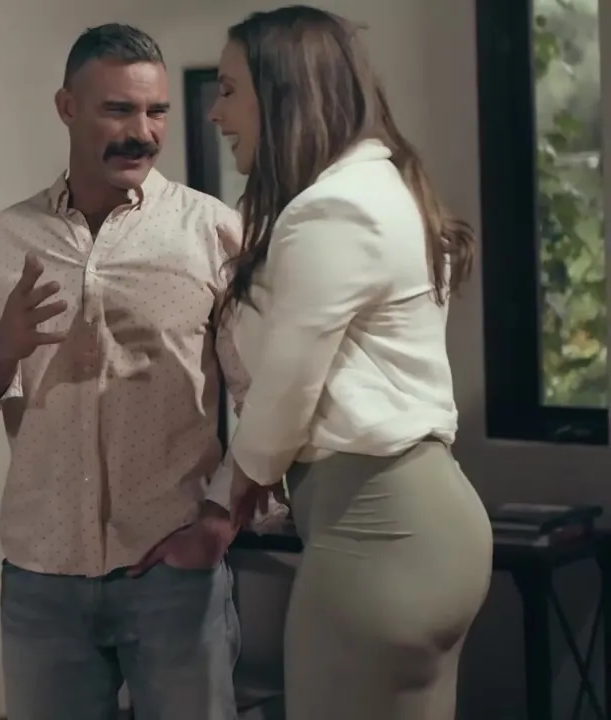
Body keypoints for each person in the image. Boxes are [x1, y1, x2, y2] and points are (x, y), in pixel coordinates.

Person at [0, 24, 249, 720]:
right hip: (41, 580)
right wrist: (0, 348)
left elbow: (265, 395)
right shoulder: (2, 240)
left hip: (174, 573)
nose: (142, 132)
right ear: (67, 108)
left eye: (156, 111)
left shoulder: (212, 232)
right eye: (118, 110)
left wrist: (221, 519)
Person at [209, 7, 492, 719]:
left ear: (281, 95)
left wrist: (226, 497)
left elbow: (285, 396)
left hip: (377, 531)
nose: (216, 114)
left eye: (229, 90)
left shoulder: (330, 210)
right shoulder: (380, 189)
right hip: (420, 527)